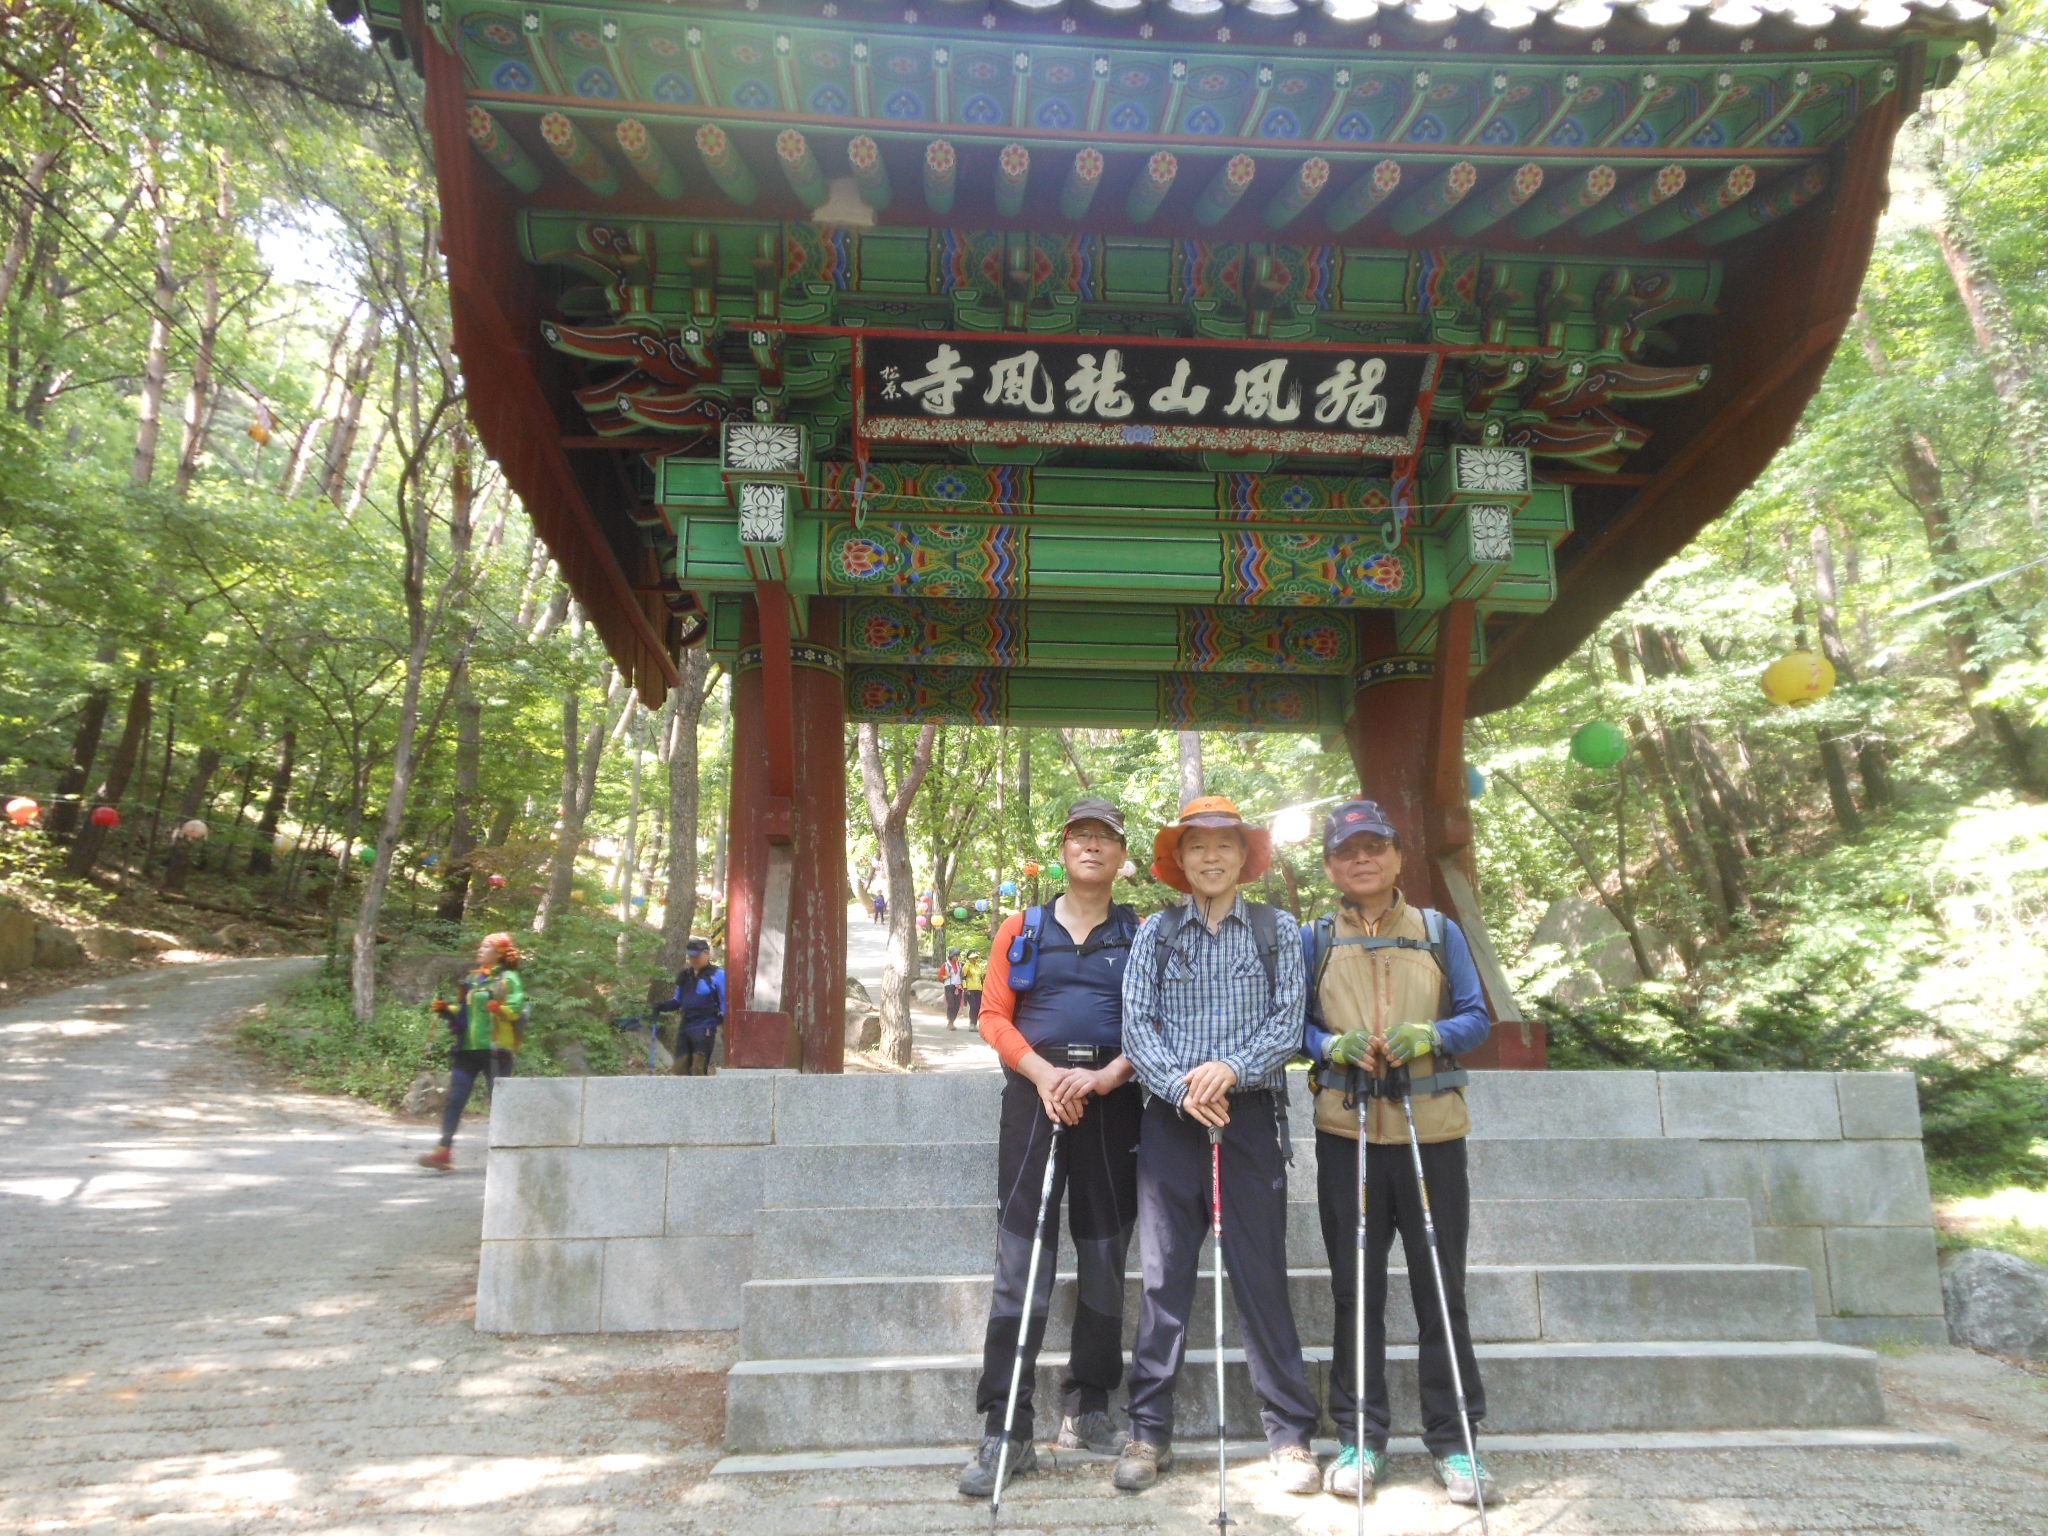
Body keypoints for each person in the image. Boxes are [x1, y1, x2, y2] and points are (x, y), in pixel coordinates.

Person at [1116, 796, 1322, 1498]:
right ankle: (1148, 1430)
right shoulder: (1156, 933)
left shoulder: (1276, 929)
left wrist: (1229, 1070)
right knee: (1164, 1278)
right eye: (1196, 845)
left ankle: (1290, 1436)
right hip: (1170, 1122)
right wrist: (1182, 1088)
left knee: (1261, 1275)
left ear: (1244, 856)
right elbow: (1136, 1023)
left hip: (1250, 1118)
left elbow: (1287, 1022)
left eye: (1224, 844)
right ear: (1179, 860)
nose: (1211, 856)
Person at [1302, 799, 1496, 1509]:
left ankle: (1455, 1439)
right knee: (1356, 1290)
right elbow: (1294, 1024)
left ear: (1396, 856)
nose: (1362, 859)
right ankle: (1361, 1437)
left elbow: (1476, 1017)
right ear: (1330, 867)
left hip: (1431, 1132)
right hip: (1347, 1133)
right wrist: (1331, 1045)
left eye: (1374, 847)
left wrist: (1432, 1035)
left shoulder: (1439, 931)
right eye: (1346, 851)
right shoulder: (1315, 938)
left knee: (1440, 1288)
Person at [957, 798, 1143, 1497]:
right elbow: (992, 1016)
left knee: (1104, 1251)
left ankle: (1090, 1406)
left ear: (1121, 855)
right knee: (1023, 1256)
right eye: (1080, 836)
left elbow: (1155, 1019)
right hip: (1034, 1099)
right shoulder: (1022, 927)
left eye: (1105, 838)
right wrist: (1044, 1076)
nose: (1092, 846)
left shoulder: (1141, 933)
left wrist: (1104, 1078)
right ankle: (1006, 1426)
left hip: (1113, 1100)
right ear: (1063, 849)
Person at [419, 932, 526, 1170]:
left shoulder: (509, 978)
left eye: (485, 946)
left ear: (499, 953)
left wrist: (500, 1009)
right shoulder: (473, 979)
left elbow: (516, 1008)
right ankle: (443, 1152)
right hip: (467, 1049)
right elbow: (465, 1012)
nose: (480, 950)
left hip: (496, 1050)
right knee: (455, 1099)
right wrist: (447, 1009)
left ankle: (513, 1154)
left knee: (501, 1103)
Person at [654, 937, 726, 1076]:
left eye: (697, 956)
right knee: (680, 1068)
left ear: (707, 954)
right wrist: (660, 1007)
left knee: (698, 1068)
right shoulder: (685, 975)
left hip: (705, 1026)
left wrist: (722, 1023)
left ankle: (701, 1090)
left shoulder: (718, 975)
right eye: (691, 956)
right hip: (686, 1026)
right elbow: (677, 1001)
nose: (693, 959)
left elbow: (725, 1002)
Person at [961, 945, 987, 1029]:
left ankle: (975, 1024)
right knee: (973, 1006)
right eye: (973, 957)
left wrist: (983, 988)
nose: (975, 958)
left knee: (978, 1007)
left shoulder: (978, 966)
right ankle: (972, 1024)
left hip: (979, 989)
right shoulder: (966, 966)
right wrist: (965, 989)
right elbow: (963, 977)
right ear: (969, 957)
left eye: (976, 957)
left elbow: (981, 978)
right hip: (970, 989)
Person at [939, 946, 965, 1030]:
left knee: (957, 1005)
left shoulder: (960, 965)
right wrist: (946, 976)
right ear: (951, 955)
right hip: (949, 986)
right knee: (951, 1004)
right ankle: (950, 1022)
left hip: (958, 987)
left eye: (958, 955)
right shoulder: (945, 965)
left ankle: (952, 1022)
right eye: (955, 955)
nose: (957, 957)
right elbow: (940, 976)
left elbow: (962, 975)